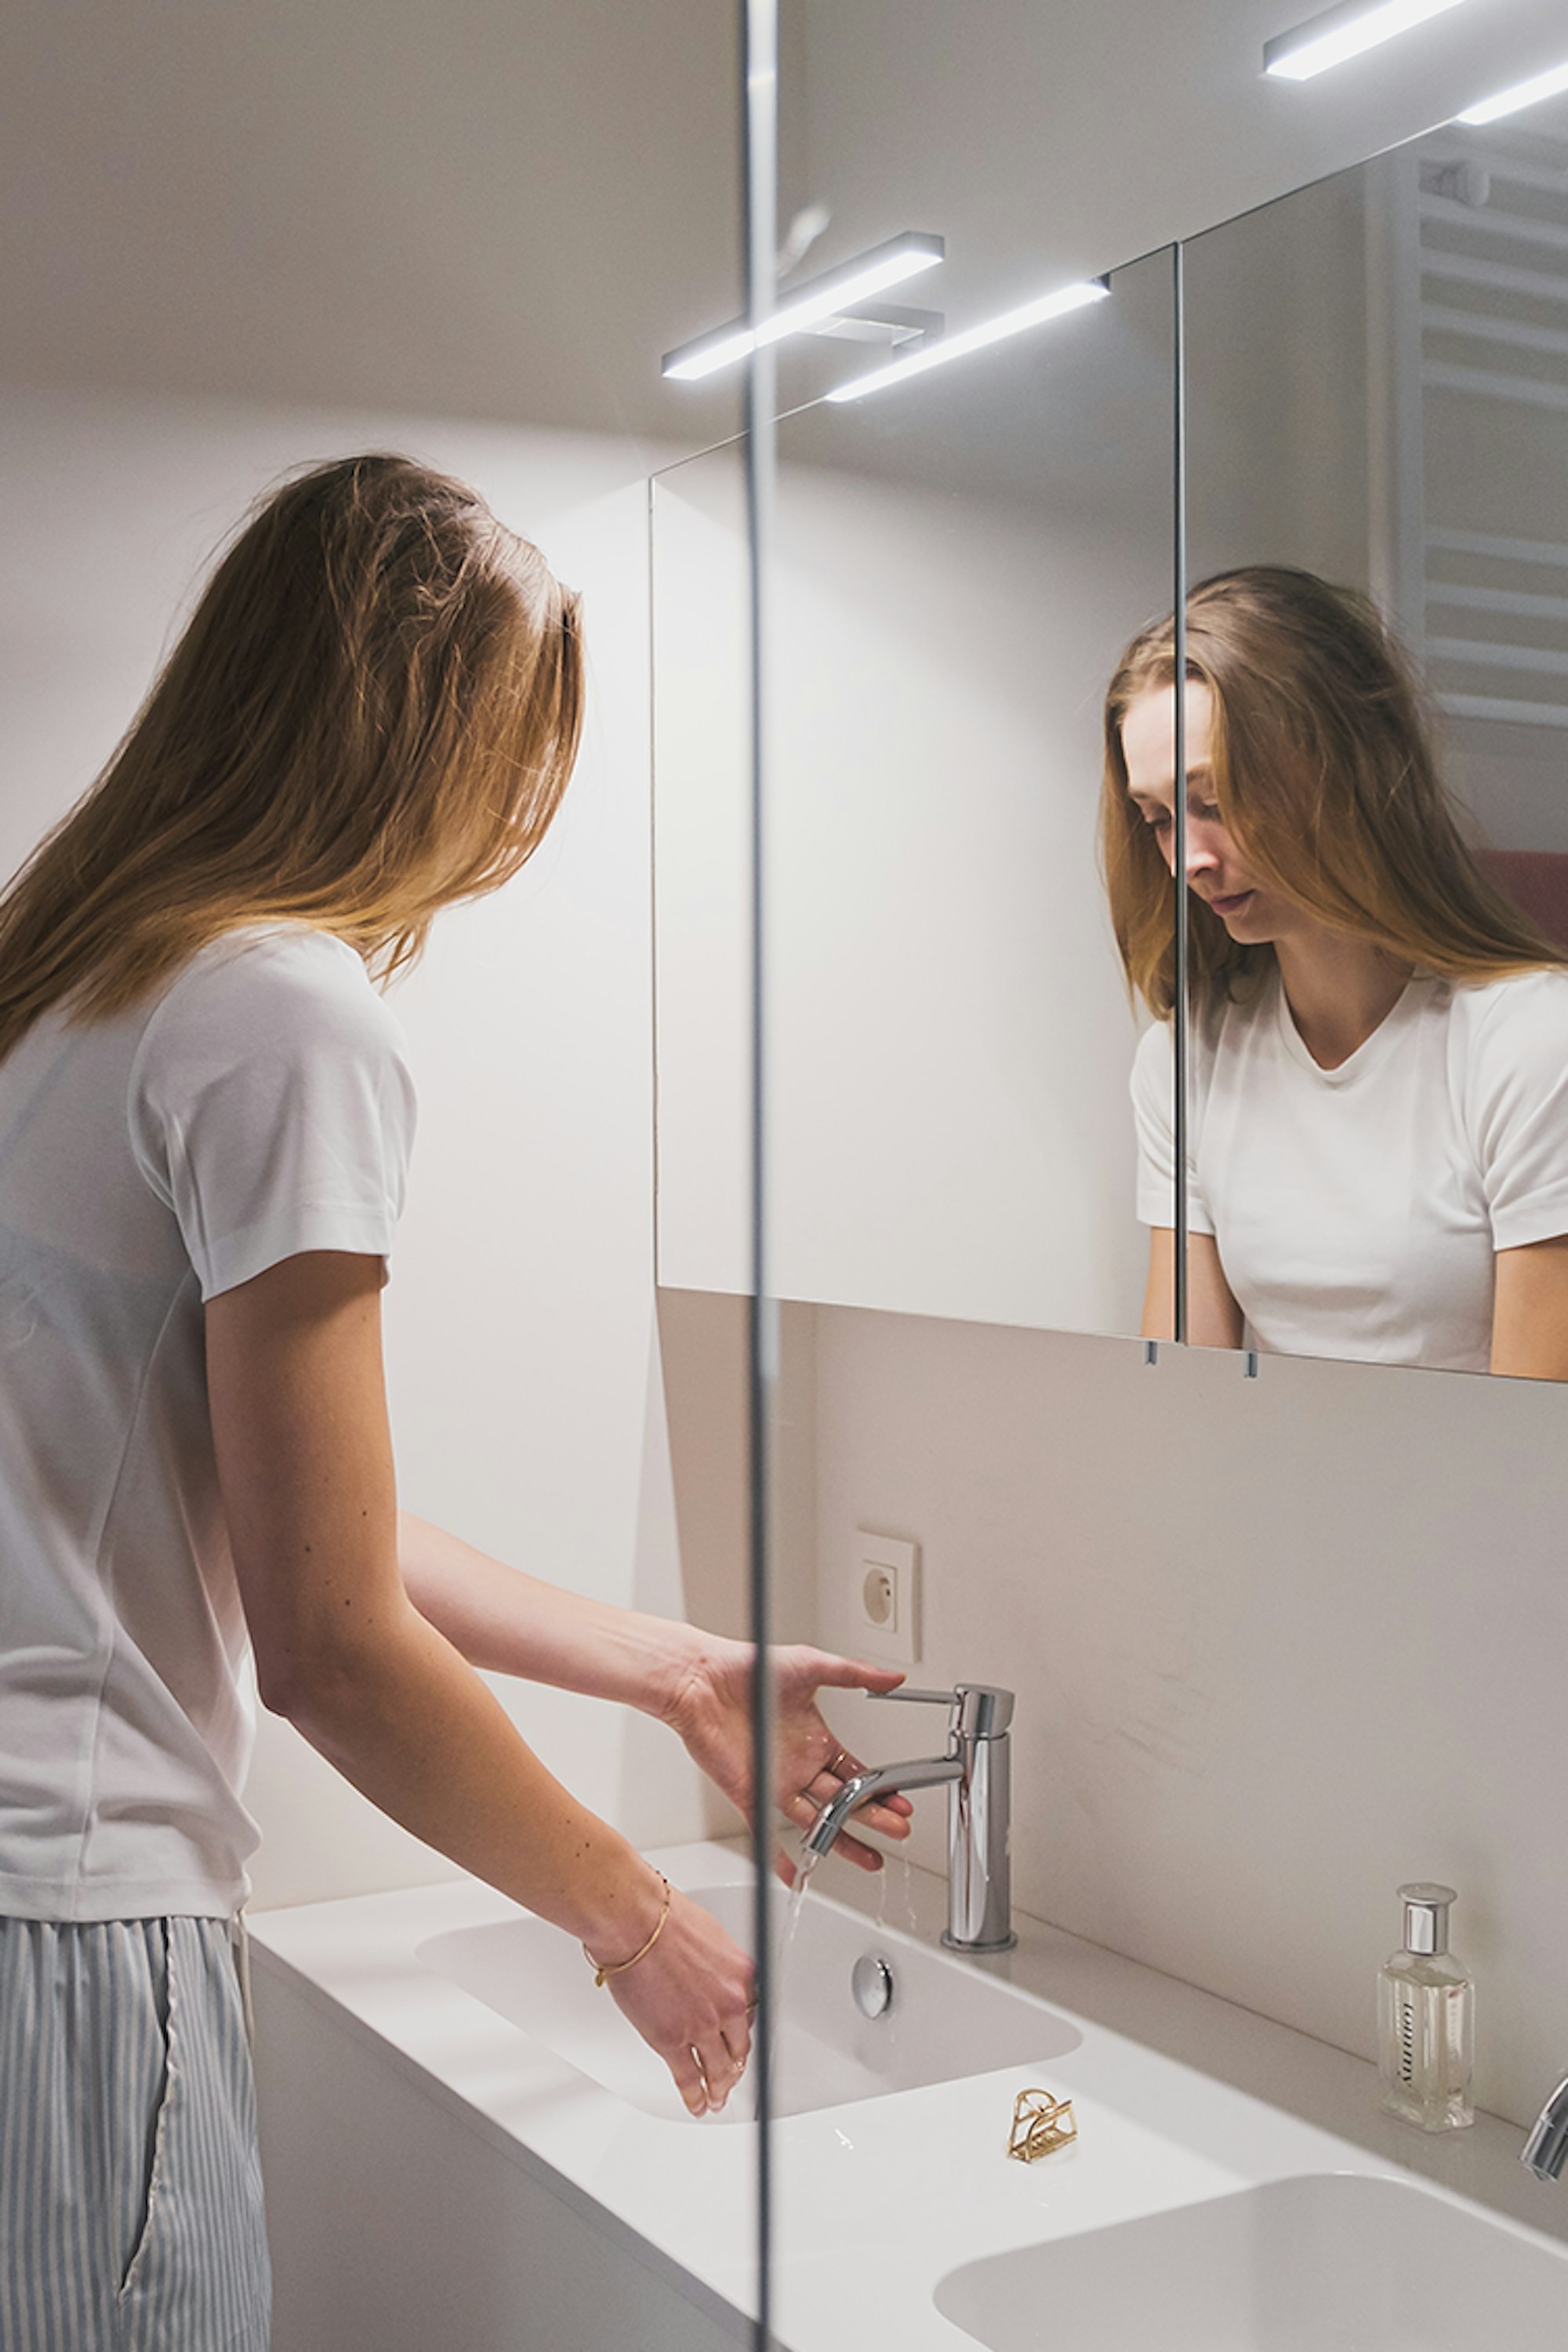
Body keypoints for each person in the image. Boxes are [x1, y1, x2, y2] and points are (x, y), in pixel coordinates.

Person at [0, 453, 910, 2351]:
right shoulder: (279, 1011)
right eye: (513, 745)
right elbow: (329, 1642)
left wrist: (662, 1668)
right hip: (70, 1926)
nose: (513, 811)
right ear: (407, 733)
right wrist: (634, 1919)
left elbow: (262, 1511)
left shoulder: (65, 983)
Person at [1101, 564, 1568, 1378]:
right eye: (1160, 819)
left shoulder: (1530, 1046)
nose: (1190, 860)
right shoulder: (1186, 1061)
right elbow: (1179, 1403)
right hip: (1280, 1497)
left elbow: (1530, 1446)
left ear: (1342, 768)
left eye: (1215, 801)